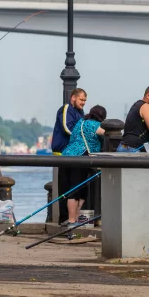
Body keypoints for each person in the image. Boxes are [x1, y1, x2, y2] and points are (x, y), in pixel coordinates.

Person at [61, 105, 107, 226]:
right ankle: (72, 220)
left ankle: (74, 218)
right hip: (80, 158)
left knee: (78, 189)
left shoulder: (81, 122)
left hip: (66, 156)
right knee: (76, 190)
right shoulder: (95, 125)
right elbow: (108, 134)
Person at [51, 88, 86, 225]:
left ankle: (71, 218)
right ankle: (64, 218)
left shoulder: (80, 112)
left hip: (74, 153)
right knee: (65, 186)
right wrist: (82, 137)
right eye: (81, 99)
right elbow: (67, 127)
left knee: (74, 186)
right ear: (73, 98)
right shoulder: (66, 108)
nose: (83, 103)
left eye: (84, 101)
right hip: (64, 152)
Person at [119, 85, 149, 152]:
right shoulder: (145, 106)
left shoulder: (137, 105)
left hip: (125, 146)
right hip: (133, 149)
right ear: (148, 95)